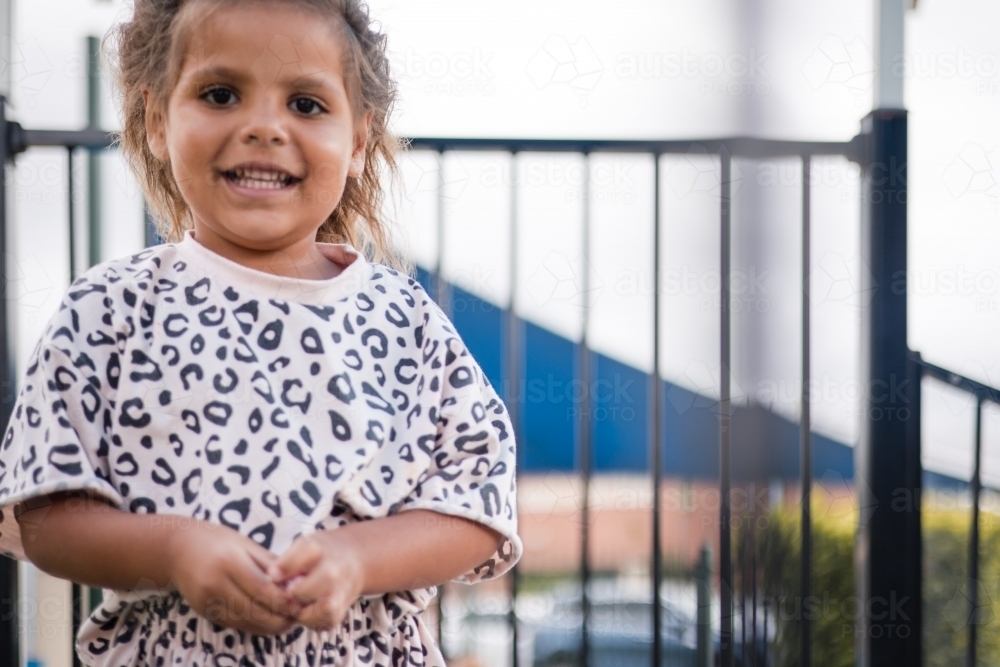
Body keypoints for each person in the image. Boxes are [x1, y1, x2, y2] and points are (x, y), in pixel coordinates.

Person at [0, 0, 521, 664]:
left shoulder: (405, 320)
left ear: (358, 141)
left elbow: (477, 502)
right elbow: (45, 514)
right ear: (158, 120)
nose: (263, 127)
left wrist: (358, 558)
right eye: (221, 94)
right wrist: (174, 548)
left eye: (305, 104)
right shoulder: (108, 309)